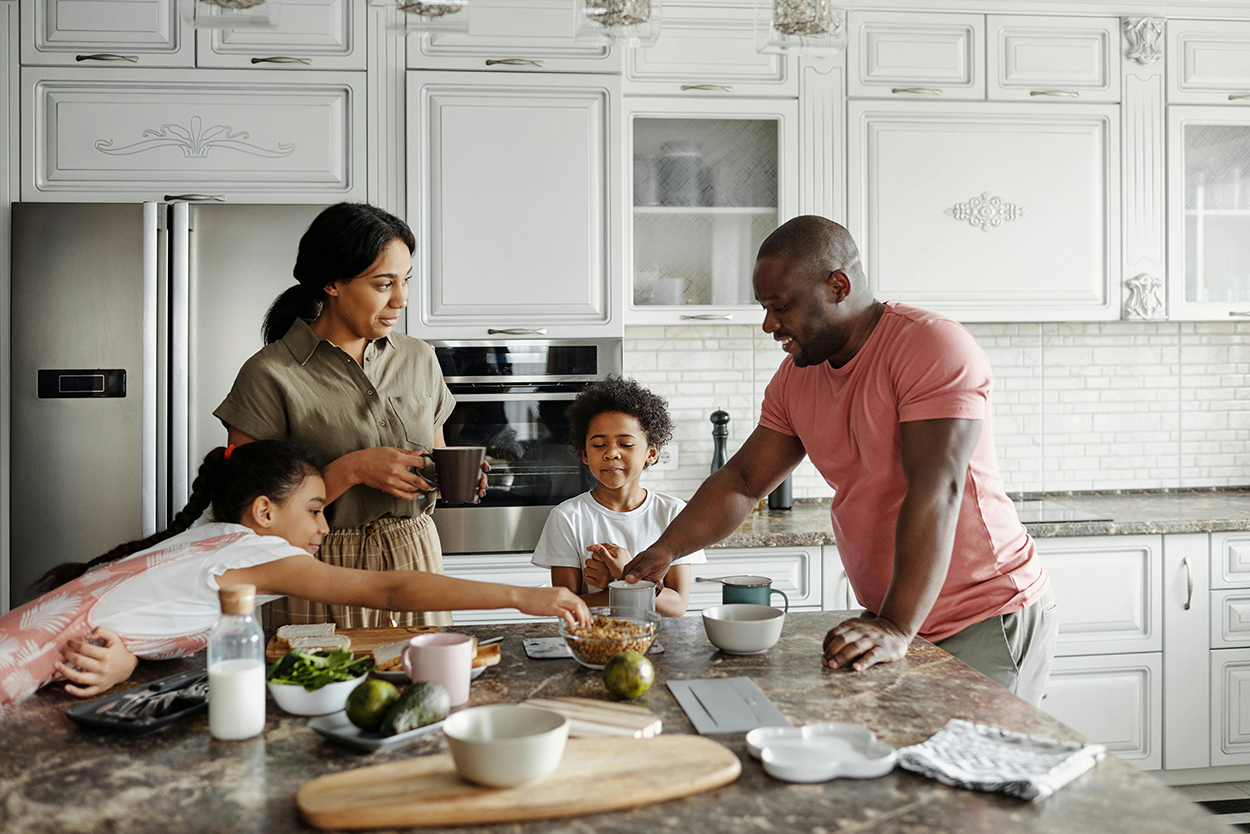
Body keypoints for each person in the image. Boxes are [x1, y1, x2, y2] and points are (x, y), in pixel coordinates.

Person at [621, 216, 1057, 705]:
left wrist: (895, 624)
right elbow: (743, 481)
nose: (769, 324)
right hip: (892, 619)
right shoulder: (796, 378)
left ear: (838, 286)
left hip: (981, 615)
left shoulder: (929, 346)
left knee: (975, 776)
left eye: (780, 306)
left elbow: (937, 490)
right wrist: (666, 549)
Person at [0, 440, 588, 710]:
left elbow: (141, 617)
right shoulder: (251, 552)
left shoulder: (207, 540)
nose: (324, 527)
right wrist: (524, 594)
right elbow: (388, 588)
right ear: (263, 513)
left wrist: (126, 660)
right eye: (313, 509)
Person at [214, 203, 485, 630]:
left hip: (415, 554)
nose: (402, 299)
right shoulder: (269, 374)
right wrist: (352, 469)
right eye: (384, 283)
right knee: (323, 691)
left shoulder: (419, 359)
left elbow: (434, 455)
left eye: (405, 280)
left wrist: (448, 474)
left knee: (428, 689)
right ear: (332, 283)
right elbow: (248, 514)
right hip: (319, 567)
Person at [531, 377, 704, 617]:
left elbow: (676, 607)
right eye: (599, 445)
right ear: (584, 455)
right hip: (595, 644)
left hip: (661, 645)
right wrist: (624, 585)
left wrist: (623, 576)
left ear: (651, 453)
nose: (611, 453)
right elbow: (566, 607)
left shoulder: (674, 513)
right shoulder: (567, 517)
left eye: (625, 444)